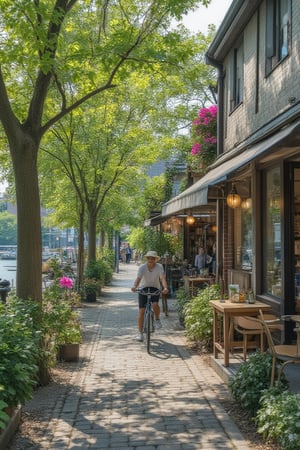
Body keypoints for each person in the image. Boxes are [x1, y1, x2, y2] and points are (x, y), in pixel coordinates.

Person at [131, 250, 168, 341]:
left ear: (156, 259)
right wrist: (134, 286)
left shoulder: (159, 267)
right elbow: (138, 279)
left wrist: (165, 288)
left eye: (152, 258)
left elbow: (162, 278)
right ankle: (139, 333)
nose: (150, 260)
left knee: (155, 304)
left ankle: (157, 320)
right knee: (142, 311)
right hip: (143, 288)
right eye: (149, 258)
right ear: (147, 258)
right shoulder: (142, 267)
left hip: (155, 288)